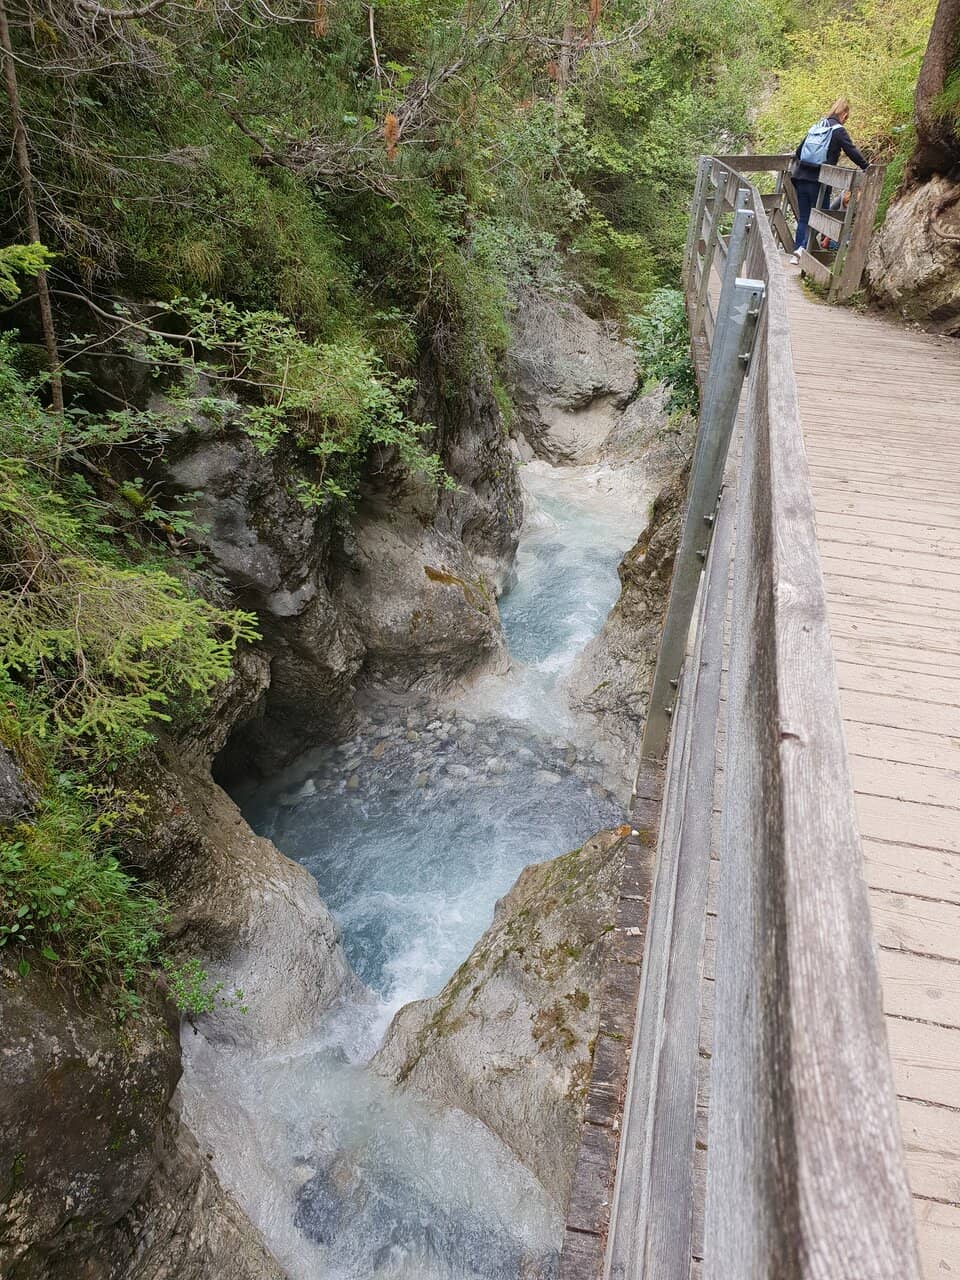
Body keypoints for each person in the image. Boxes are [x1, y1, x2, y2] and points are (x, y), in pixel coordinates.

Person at [789, 98, 868, 265]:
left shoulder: (817, 126)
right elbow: (851, 151)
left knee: (804, 217)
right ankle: (803, 249)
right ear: (844, 114)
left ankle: (797, 251)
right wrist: (867, 167)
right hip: (819, 180)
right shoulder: (838, 131)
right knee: (823, 216)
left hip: (800, 176)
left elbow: (798, 151)